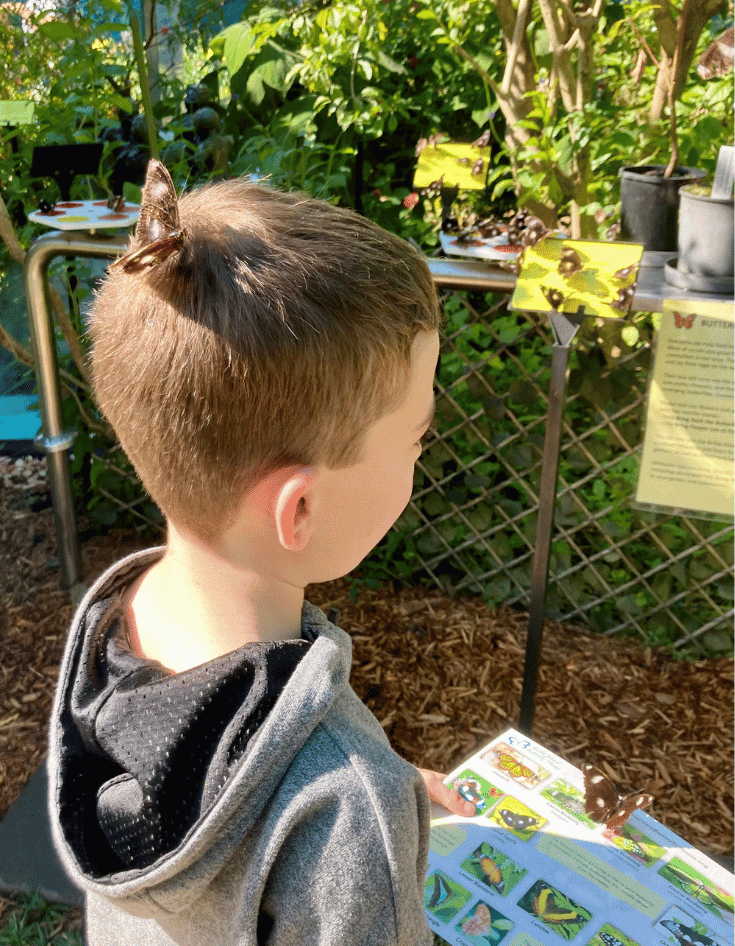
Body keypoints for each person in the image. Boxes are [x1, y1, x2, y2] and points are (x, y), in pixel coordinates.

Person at [47, 160, 474, 946]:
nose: (423, 455)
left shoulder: (111, 622)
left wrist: (334, 790)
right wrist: (353, 800)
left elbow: (195, 768)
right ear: (300, 507)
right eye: (417, 438)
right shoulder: (351, 805)